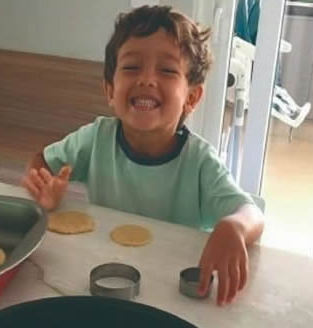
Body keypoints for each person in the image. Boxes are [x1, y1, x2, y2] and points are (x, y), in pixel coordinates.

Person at [21, 5, 264, 305]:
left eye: (167, 70)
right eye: (132, 67)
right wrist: (44, 186)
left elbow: (252, 213)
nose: (147, 80)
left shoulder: (200, 162)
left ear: (192, 97)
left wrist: (234, 227)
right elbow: (41, 160)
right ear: (110, 90)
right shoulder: (96, 138)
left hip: (171, 291)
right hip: (104, 278)